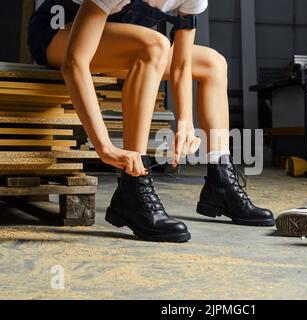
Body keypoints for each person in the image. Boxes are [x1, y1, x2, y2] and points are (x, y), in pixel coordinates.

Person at [28, 0, 275, 243]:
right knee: (154, 43)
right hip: (60, 33)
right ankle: (133, 185)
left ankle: (221, 183)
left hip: (117, 42)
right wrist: (104, 146)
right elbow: (75, 62)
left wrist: (186, 121)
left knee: (213, 63)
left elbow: (181, 63)